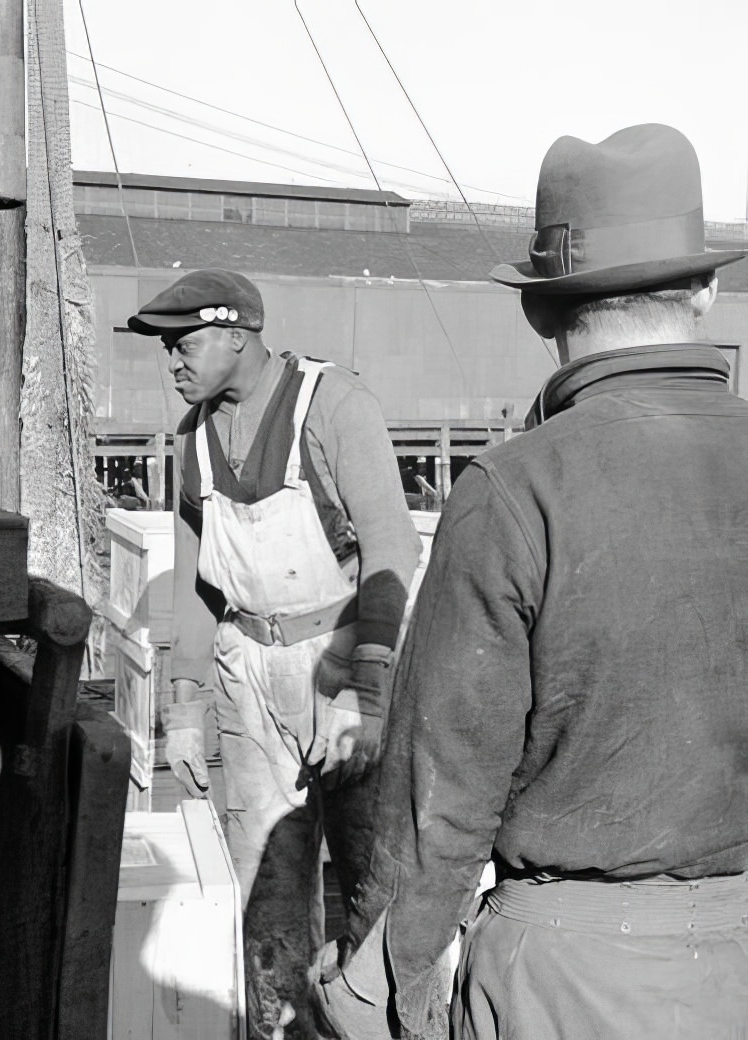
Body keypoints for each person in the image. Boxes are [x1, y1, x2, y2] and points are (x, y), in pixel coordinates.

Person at [311, 123, 748, 1040]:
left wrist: (384, 978)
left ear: (539, 312)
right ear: (707, 290)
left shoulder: (512, 493)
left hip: (573, 974)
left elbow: (443, 790)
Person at [127, 269, 421, 1039]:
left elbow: (391, 547)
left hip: (342, 661)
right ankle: (286, 1030)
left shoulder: (334, 407)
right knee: (271, 889)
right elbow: (196, 583)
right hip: (248, 675)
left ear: (236, 334)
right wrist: (183, 703)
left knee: (374, 885)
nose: (174, 363)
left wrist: (371, 685)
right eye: (168, 349)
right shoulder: (193, 436)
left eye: (184, 344)